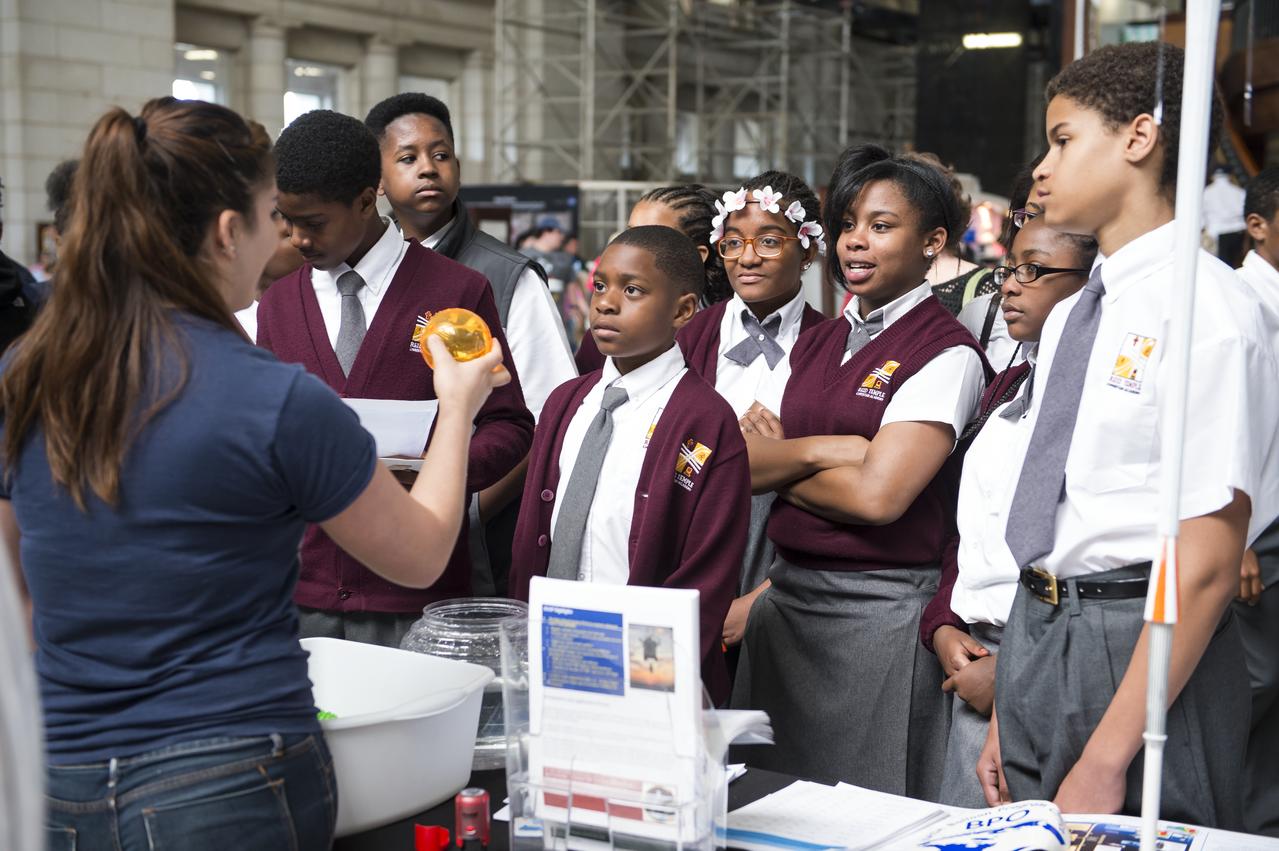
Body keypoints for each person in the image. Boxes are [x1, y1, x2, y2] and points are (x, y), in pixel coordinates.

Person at [0, 96, 508, 851]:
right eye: (273, 213)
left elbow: (18, 574)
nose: (284, 237)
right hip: (227, 772)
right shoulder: (272, 398)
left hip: (57, 770)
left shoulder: (29, 371)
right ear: (227, 230)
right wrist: (458, 406)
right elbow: (422, 549)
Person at [977, 43, 1279, 830]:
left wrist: (1110, 754)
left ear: (1138, 138)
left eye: (1063, 139)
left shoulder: (1206, 311)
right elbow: (1058, 509)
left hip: (1138, 641)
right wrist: (1016, 694)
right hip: (1041, 625)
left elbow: (1209, 562)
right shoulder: (1081, 309)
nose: (1041, 167)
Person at [732, 144, 989, 798]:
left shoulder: (943, 351)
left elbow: (879, 497)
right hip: (786, 601)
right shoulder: (819, 338)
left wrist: (784, 455)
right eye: (847, 224)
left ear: (933, 241)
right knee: (765, 811)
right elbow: (743, 462)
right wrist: (830, 450)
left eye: (880, 225)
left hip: (877, 615)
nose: (854, 242)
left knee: (865, 815)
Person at [257, 109, 534, 648]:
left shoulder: (457, 290)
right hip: (305, 595)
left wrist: (436, 472)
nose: (296, 239)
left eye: (312, 223)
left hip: (418, 597)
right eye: (284, 221)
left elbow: (511, 427)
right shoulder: (278, 304)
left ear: (366, 200)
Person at [509, 226, 750, 705]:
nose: (606, 303)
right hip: (550, 653)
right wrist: (525, 644)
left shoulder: (705, 419)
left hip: (646, 676)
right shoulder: (566, 402)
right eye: (601, 286)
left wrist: (641, 682)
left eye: (633, 290)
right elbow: (531, 535)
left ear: (682, 310)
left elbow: (705, 575)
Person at [365, 93, 577, 595]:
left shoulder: (507, 277)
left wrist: (475, 506)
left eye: (441, 155)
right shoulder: (361, 273)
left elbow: (551, 415)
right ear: (375, 181)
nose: (428, 169)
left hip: (471, 533)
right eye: (407, 157)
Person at [921, 213, 1096, 808]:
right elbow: (971, 526)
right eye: (1009, 269)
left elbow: (1073, 549)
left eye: (1034, 271)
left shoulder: (1097, 399)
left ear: (1091, 283)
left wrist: (1015, 668)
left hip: (1040, 661)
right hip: (974, 656)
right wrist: (944, 624)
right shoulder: (1011, 384)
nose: (1012, 286)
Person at [673, 173, 829, 654]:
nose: (747, 257)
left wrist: (787, 454)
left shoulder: (833, 346)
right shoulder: (687, 338)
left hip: (782, 569)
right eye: (733, 242)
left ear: (807, 251)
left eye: (768, 240)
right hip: (687, 547)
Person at [573, 184, 735, 375]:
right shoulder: (607, 329)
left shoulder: (728, 330)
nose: (635, 245)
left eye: (656, 235)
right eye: (630, 233)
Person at [1235, 165, 1279, 837]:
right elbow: (1226, 422)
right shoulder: (1241, 302)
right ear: (1257, 225)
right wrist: (1234, 532)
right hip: (1252, 532)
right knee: (1249, 690)